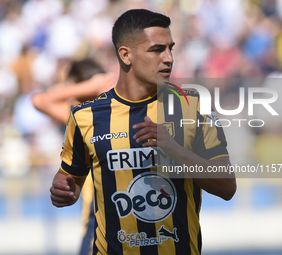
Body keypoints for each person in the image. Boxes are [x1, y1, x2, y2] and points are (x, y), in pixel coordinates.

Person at [50, 9, 236, 255]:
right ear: (126, 55)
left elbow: (227, 186)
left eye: (171, 48)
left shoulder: (195, 107)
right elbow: (70, 183)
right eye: (157, 50)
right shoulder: (85, 116)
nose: (168, 58)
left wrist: (174, 150)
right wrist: (62, 191)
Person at [32, 58, 116, 255]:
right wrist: (90, 86)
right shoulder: (81, 116)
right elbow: (38, 100)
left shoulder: (99, 113)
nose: (66, 91)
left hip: (101, 224)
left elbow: (41, 100)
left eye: (69, 84)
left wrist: (89, 86)